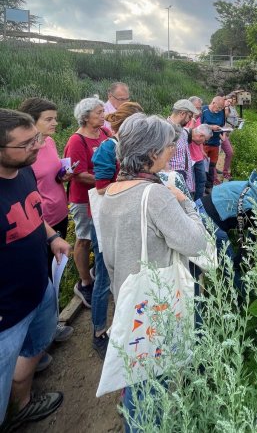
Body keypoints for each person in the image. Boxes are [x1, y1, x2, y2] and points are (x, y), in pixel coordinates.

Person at [97, 113, 206, 429]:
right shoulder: (155, 194)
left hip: (129, 298)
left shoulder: (110, 194)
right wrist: (185, 202)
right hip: (157, 302)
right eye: (168, 146)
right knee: (152, 385)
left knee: (138, 370)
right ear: (150, 153)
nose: (173, 150)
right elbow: (195, 242)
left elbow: (110, 259)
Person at [0, 109, 71, 430]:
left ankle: (24, 403)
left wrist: (52, 235)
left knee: (34, 348)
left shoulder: (23, 171)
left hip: (38, 288)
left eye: (37, 139)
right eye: (26, 143)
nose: (37, 147)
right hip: (6, 311)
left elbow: (31, 211)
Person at [18, 97, 74, 345]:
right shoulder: (21, 152)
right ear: (32, 122)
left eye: (55, 117)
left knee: (53, 274)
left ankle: (48, 329)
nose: (55, 122)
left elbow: (50, 176)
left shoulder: (49, 143)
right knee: (40, 278)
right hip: (39, 221)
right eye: (48, 119)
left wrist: (63, 175)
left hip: (59, 213)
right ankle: (36, 340)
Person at [90, 102, 143, 359]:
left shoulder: (130, 147)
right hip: (106, 218)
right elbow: (101, 188)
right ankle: (99, 331)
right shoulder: (108, 149)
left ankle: (121, 326)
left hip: (124, 215)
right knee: (103, 275)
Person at [196, 172, 257, 296]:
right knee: (229, 265)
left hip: (199, 205)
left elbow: (250, 241)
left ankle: (232, 288)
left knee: (230, 259)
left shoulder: (255, 190)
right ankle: (244, 299)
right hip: (206, 218)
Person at [64, 97, 110, 308]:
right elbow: (78, 174)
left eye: (103, 111)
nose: (103, 115)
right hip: (83, 199)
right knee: (84, 239)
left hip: (102, 195)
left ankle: (97, 272)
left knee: (101, 236)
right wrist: (108, 179)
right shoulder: (77, 141)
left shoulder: (105, 134)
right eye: (99, 112)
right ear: (85, 116)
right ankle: (84, 282)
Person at [167, 99, 199, 194]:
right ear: (182, 113)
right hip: (173, 178)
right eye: (189, 116)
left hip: (182, 176)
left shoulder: (182, 130)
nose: (190, 119)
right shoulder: (165, 130)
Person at [201, 96, 226, 190]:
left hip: (215, 143)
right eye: (218, 107)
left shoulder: (221, 112)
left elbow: (222, 125)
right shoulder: (204, 110)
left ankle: (209, 186)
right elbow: (199, 126)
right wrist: (211, 127)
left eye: (221, 108)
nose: (219, 110)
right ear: (213, 102)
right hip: (204, 143)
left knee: (212, 166)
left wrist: (223, 134)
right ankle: (201, 186)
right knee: (203, 166)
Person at [186, 96, 209, 200]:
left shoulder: (198, 117)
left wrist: (202, 150)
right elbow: (187, 134)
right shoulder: (185, 118)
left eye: (199, 108)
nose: (198, 110)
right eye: (196, 107)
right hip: (188, 156)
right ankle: (190, 204)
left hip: (198, 155)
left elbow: (200, 134)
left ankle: (199, 203)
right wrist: (193, 119)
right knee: (189, 183)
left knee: (202, 180)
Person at [220, 93, 239, 181]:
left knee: (230, 152)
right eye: (228, 101)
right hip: (220, 134)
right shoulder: (221, 109)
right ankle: (213, 177)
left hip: (225, 133)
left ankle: (225, 172)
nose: (230, 102)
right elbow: (225, 116)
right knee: (214, 156)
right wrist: (226, 107)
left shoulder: (232, 108)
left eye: (232, 101)